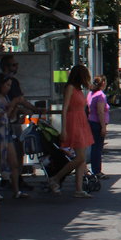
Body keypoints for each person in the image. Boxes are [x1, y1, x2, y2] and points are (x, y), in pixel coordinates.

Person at [49, 65, 94, 199]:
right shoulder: (70, 88)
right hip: (74, 122)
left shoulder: (79, 89)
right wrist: (63, 129)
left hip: (81, 122)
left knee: (82, 158)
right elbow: (65, 108)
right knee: (80, 157)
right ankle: (56, 178)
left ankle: (78, 189)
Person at [0, 75, 26, 199]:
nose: (8, 88)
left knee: (14, 162)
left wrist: (14, 107)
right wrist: (11, 106)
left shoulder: (5, 97)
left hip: (6, 132)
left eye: (10, 86)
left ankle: (16, 191)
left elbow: (9, 116)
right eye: (7, 85)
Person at [87, 75, 110, 179]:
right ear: (103, 83)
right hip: (98, 124)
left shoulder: (91, 94)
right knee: (97, 148)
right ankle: (97, 171)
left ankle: (95, 169)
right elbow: (100, 111)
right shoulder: (101, 95)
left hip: (91, 122)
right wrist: (103, 127)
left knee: (94, 147)